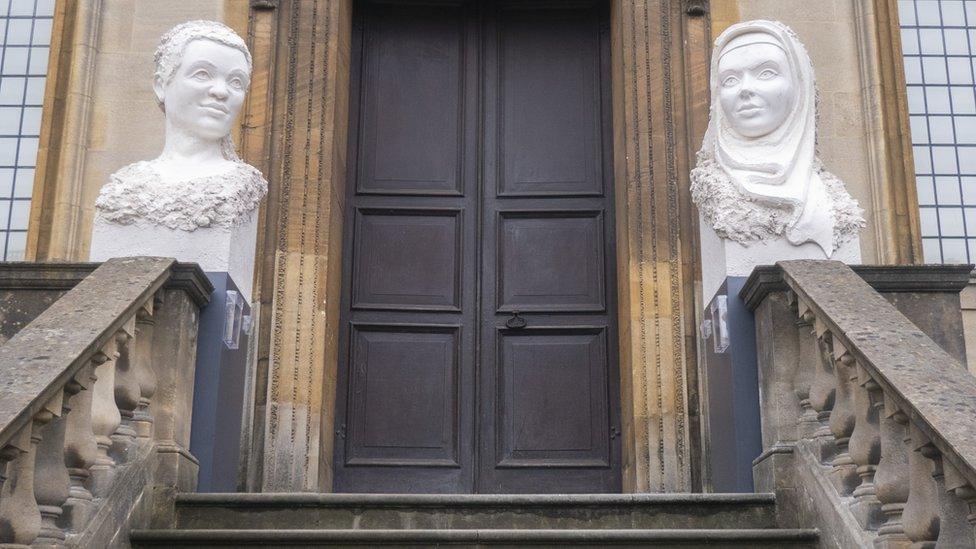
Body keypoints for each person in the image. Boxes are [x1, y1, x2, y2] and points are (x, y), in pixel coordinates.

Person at [691, 20, 863, 256]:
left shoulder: (830, 193)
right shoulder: (715, 185)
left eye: (766, 73)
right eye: (730, 80)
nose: (745, 89)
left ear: (800, 83)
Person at [94, 20, 266, 231]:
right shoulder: (123, 186)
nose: (221, 91)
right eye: (202, 74)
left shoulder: (241, 184)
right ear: (160, 86)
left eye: (236, 82)